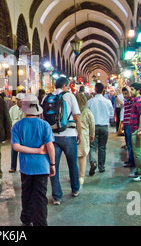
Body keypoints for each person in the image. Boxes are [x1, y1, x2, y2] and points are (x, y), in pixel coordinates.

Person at [12, 94, 55, 226]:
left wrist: (33, 150)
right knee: (41, 197)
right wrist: (52, 164)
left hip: (26, 167)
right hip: (42, 166)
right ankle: (40, 222)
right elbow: (50, 146)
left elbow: (16, 146)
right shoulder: (44, 125)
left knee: (27, 194)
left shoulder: (17, 126)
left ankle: (26, 218)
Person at [48, 77, 82, 205]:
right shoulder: (69, 96)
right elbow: (77, 117)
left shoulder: (47, 97)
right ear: (65, 86)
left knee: (53, 166)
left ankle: (56, 196)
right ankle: (75, 189)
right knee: (72, 164)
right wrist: (80, 133)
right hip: (69, 135)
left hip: (52, 137)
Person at [87, 82, 114, 175]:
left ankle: (93, 161)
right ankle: (101, 167)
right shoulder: (108, 102)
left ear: (95, 90)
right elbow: (111, 115)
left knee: (93, 147)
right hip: (104, 127)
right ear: (103, 90)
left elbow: (87, 114)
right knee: (102, 147)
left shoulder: (90, 102)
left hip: (93, 127)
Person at [74, 92, 95, 185]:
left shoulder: (72, 110)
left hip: (73, 134)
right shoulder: (87, 111)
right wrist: (92, 135)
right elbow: (92, 124)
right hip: (84, 135)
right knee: (82, 156)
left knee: (72, 157)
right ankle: (81, 177)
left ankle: (73, 175)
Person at [9, 92, 26, 173]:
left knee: (23, 150)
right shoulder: (12, 109)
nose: (19, 102)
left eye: (20, 100)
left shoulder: (26, 109)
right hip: (15, 133)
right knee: (14, 149)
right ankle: (13, 166)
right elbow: (9, 120)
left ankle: (23, 166)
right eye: (18, 100)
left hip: (24, 133)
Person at [122, 86, 135, 168]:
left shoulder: (131, 100)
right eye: (123, 94)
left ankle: (132, 161)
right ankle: (130, 159)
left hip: (130, 124)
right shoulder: (126, 101)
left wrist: (130, 92)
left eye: (126, 93)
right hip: (126, 124)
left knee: (130, 144)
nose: (124, 95)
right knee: (128, 143)